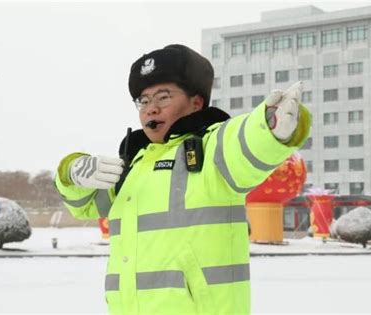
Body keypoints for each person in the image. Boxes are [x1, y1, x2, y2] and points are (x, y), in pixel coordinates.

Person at [54, 44, 311, 315]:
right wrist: (71, 172)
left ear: (196, 102)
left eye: (163, 97)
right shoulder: (132, 166)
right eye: (144, 100)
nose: (150, 109)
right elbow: (85, 206)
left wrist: (269, 128)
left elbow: (242, 140)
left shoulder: (212, 149)